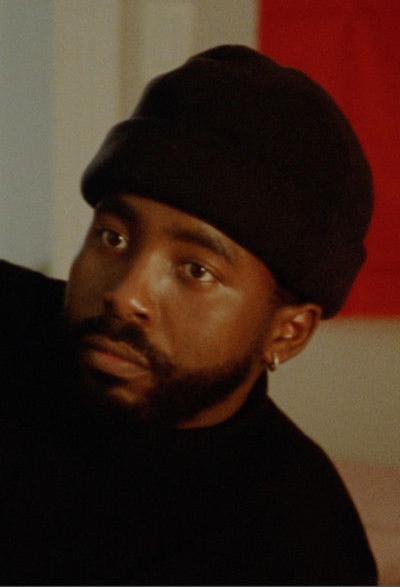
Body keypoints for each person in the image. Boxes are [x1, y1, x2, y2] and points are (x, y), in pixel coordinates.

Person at [1, 45, 377, 585]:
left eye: (195, 270)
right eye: (112, 237)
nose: (125, 295)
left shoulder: (298, 547)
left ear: (287, 332)